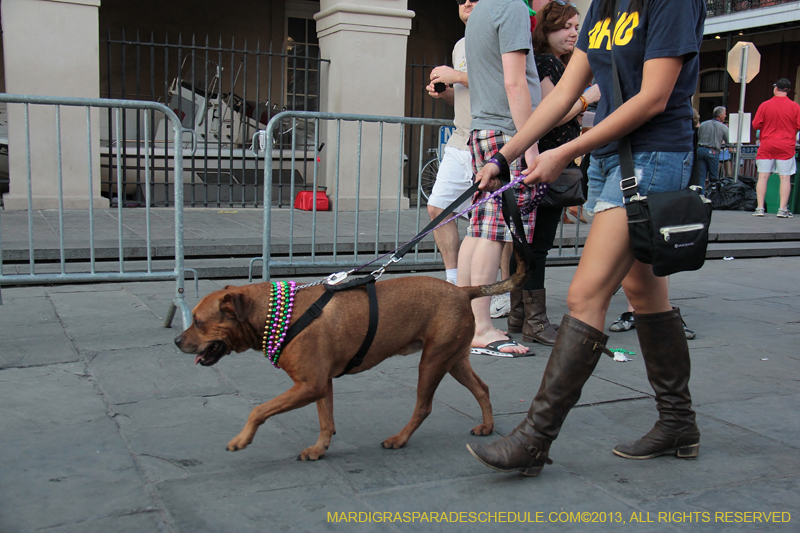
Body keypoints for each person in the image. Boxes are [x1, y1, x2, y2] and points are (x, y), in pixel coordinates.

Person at [467, 0, 706, 476]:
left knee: (585, 295)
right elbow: (559, 98)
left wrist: (565, 153)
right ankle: (679, 423)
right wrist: (505, 157)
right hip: (610, 157)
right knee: (642, 291)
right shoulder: (606, 5)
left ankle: (535, 439)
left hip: (653, 157)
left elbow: (654, 98)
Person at [506, 0, 600, 346]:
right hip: (544, 164)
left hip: (543, 163)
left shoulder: (554, 63)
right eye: (565, 26)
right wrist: (588, 98)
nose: (574, 32)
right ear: (546, 31)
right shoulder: (546, 62)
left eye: (577, 26)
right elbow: (550, 112)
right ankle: (534, 320)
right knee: (537, 245)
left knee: (528, 243)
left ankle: (520, 313)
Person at [459, 0, 546, 357]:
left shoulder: (482, 9)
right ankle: (480, 327)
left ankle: (469, 323)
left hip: (486, 129)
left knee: (480, 226)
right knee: (492, 231)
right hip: (505, 132)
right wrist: (529, 145)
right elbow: (514, 83)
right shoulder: (509, 7)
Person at [425, 0, 476, 285]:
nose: (466, 2)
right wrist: (444, 92)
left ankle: (506, 294)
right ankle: (454, 283)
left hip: (492, 140)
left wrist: (456, 75)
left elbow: (503, 84)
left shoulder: (494, 37)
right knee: (438, 207)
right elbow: (464, 96)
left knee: (492, 224)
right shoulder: (460, 45)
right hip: (460, 140)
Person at [752, 78, 800, 218]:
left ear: (775, 88)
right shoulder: (795, 107)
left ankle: (760, 208)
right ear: (789, 91)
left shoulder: (765, 105)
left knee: (763, 176)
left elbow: (756, 125)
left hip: (767, 144)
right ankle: (782, 209)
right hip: (786, 145)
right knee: (785, 178)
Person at [696, 106, 728, 189]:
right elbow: (729, 141)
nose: (725, 116)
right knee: (713, 177)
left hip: (700, 150)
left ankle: (701, 195)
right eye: (725, 114)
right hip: (712, 151)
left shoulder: (703, 124)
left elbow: (699, 136)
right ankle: (713, 194)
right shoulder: (723, 127)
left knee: (701, 176)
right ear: (720, 115)